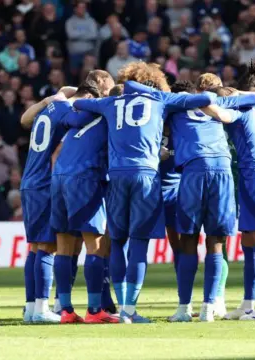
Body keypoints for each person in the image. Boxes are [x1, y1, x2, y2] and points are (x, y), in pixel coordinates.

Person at [73, 62, 218, 324]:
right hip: (146, 176)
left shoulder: (109, 103)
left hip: (116, 175)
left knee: (117, 241)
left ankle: (121, 311)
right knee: (139, 242)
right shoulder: (160, 98)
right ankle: (130, 309)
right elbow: (207, 97)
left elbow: (78, 104)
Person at [165, 76, 255, 322]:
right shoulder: (222, 101)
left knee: (188, 240)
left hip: (193, 170)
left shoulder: (173, 106)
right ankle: (210, 308)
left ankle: (184, 309)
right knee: (216, 241)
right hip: (223, 169)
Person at [201, 61, 255, 321]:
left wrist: (199, 101)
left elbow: (223, 115)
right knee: (250, 240)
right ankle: (248, 304)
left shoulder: (241, 109)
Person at [49, 71, 119, 324]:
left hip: (59, 177)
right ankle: (94, 310)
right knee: (96, 246)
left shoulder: (78, 115)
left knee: (64, 247)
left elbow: (68, 115)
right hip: (84, 177)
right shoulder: (109, 114)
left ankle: (65, 310)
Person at [19, 85, 77, 324]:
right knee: (48, 245)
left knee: (34, 247)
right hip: (45, 183)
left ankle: (32, 307)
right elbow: (59, 152)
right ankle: (43, 308)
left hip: (28, 180)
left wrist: (46, 100)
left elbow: (24, 120)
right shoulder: (67, 112)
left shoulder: (47, 109)